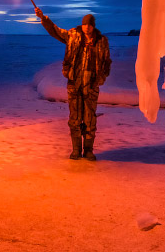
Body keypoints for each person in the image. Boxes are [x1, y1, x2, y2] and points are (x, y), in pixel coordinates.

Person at [35, 9, 111, 160]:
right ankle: (76, 150)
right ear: (81, 25)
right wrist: (44, 19)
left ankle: (88, 150)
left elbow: (106, 62)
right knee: (75, 118)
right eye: (84, 25)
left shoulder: (101, 41)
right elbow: (55, 31)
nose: (86, 27)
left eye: (89, 25)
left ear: (93, 26)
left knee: (89, 119)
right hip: (74, 85)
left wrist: (101, 78)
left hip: (91, 86)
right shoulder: (73, 36)